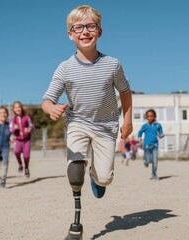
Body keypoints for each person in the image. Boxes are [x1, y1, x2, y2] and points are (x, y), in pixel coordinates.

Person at [41, 5, 132, 239]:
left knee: (105, 178)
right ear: (70, 34)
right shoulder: (65, 68)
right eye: (78, 27)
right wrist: (51, 108)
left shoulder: (112, 64)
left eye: (91, 26)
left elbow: (125, 92)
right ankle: (76, 225)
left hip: (107, 126)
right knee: (74, 169)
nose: (85, 31)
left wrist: (128, 121)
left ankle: (97, 176)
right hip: (78, 122)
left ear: (99, 31)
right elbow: (47, 99)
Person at [138, 109, 165, 180]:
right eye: (148, 116)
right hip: (146, 145)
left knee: (155, 161)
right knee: (148, 160)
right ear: (146, 117)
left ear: (154, 116)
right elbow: (140, 133)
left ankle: (154, 175)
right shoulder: (145, 126)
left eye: (151, 116)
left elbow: (161, 133)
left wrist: (161, 135)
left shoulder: (158, 125)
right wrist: (140, 141)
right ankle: (146, 162)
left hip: (155, 145)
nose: (150, 118)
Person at [9, 101, 34, 178]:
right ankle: (20, 164)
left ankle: (26, 168)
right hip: (17, 140)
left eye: (19, 107)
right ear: (13, 109)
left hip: (26, 140)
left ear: (21, 108)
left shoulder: (26, 117)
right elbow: (10, 129)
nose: (18, 109)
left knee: (26, 156)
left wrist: (29, 129)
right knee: (16, 152)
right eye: (16, 107)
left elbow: (31, 125)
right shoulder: (13, 119)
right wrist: (14, 129)